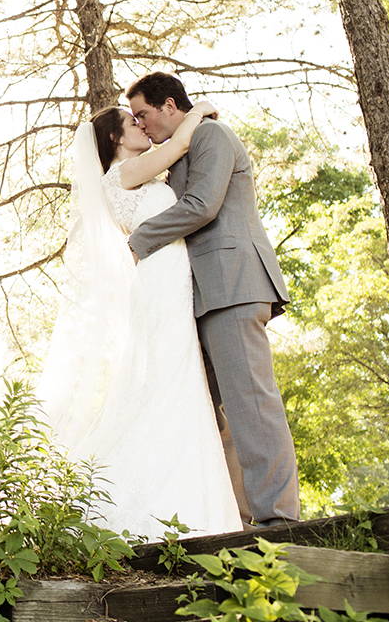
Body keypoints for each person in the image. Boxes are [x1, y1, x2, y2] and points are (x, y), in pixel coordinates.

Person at [36, 99, 242, 537]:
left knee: (174, 379)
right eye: (133, 121)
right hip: (160, 282)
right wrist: (197, 109)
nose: (142, 125)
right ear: (115, 137)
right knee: (171, 376)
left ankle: (182, 494)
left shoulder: (137, 173)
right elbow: (181, 141)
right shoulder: (123, 173)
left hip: (168, 277)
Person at [126, 72, 300, 528]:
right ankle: (238, 520)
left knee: (252, 403)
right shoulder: (176, 154)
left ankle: (279, 519)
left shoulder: (212, 135)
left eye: (143, 114)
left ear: (169, 105)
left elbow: (202, 205)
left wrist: (136, 241)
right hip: (197, 297)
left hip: (233, 285)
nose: (140, 125)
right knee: (211, 415)